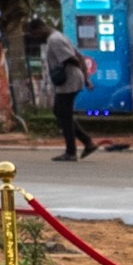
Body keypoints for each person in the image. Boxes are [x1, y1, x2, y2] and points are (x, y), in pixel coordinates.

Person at [40, 17, 95, 161]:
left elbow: (73, 58)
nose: (35, 37)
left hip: (68, 82)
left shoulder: (54, 40)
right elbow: (80, 57)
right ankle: (87, 142)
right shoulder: (59, 36)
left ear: (40, 29)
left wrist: (62, 68)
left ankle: (71, 152)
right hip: (71, 80)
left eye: (34, 33)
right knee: (60, 112)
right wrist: (86, 78)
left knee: (64, 115)